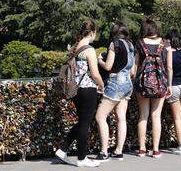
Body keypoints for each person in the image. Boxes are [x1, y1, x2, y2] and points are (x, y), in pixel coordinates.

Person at [55, 20, 105, 167]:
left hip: (76, 90)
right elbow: (95, 74)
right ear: (92, 33)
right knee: (85, 124)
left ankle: (63, 148)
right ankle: (82, 158)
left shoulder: (76, 49)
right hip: (88, 89)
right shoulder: (89, 50)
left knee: (82, 122)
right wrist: (101, 85)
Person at [94, 22, 136, 162]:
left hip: (116, 82)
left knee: (100, 116)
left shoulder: (114, 44)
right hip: (128, 84)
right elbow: (133, 71)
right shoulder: (130, 45)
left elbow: (108, 66)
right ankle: (118, 151)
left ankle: (104, 152)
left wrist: (99, 59)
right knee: (121, 118)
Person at [134, 19, 173, 158]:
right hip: (160, 83)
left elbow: (136, 65)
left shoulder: (139, 43)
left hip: (143, 84)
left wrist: (135, 81)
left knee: (143, 115)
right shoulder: (166, 44)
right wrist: (169, 84)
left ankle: (142, 149)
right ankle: (156, 149)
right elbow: (169, 67)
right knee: (156, 116)